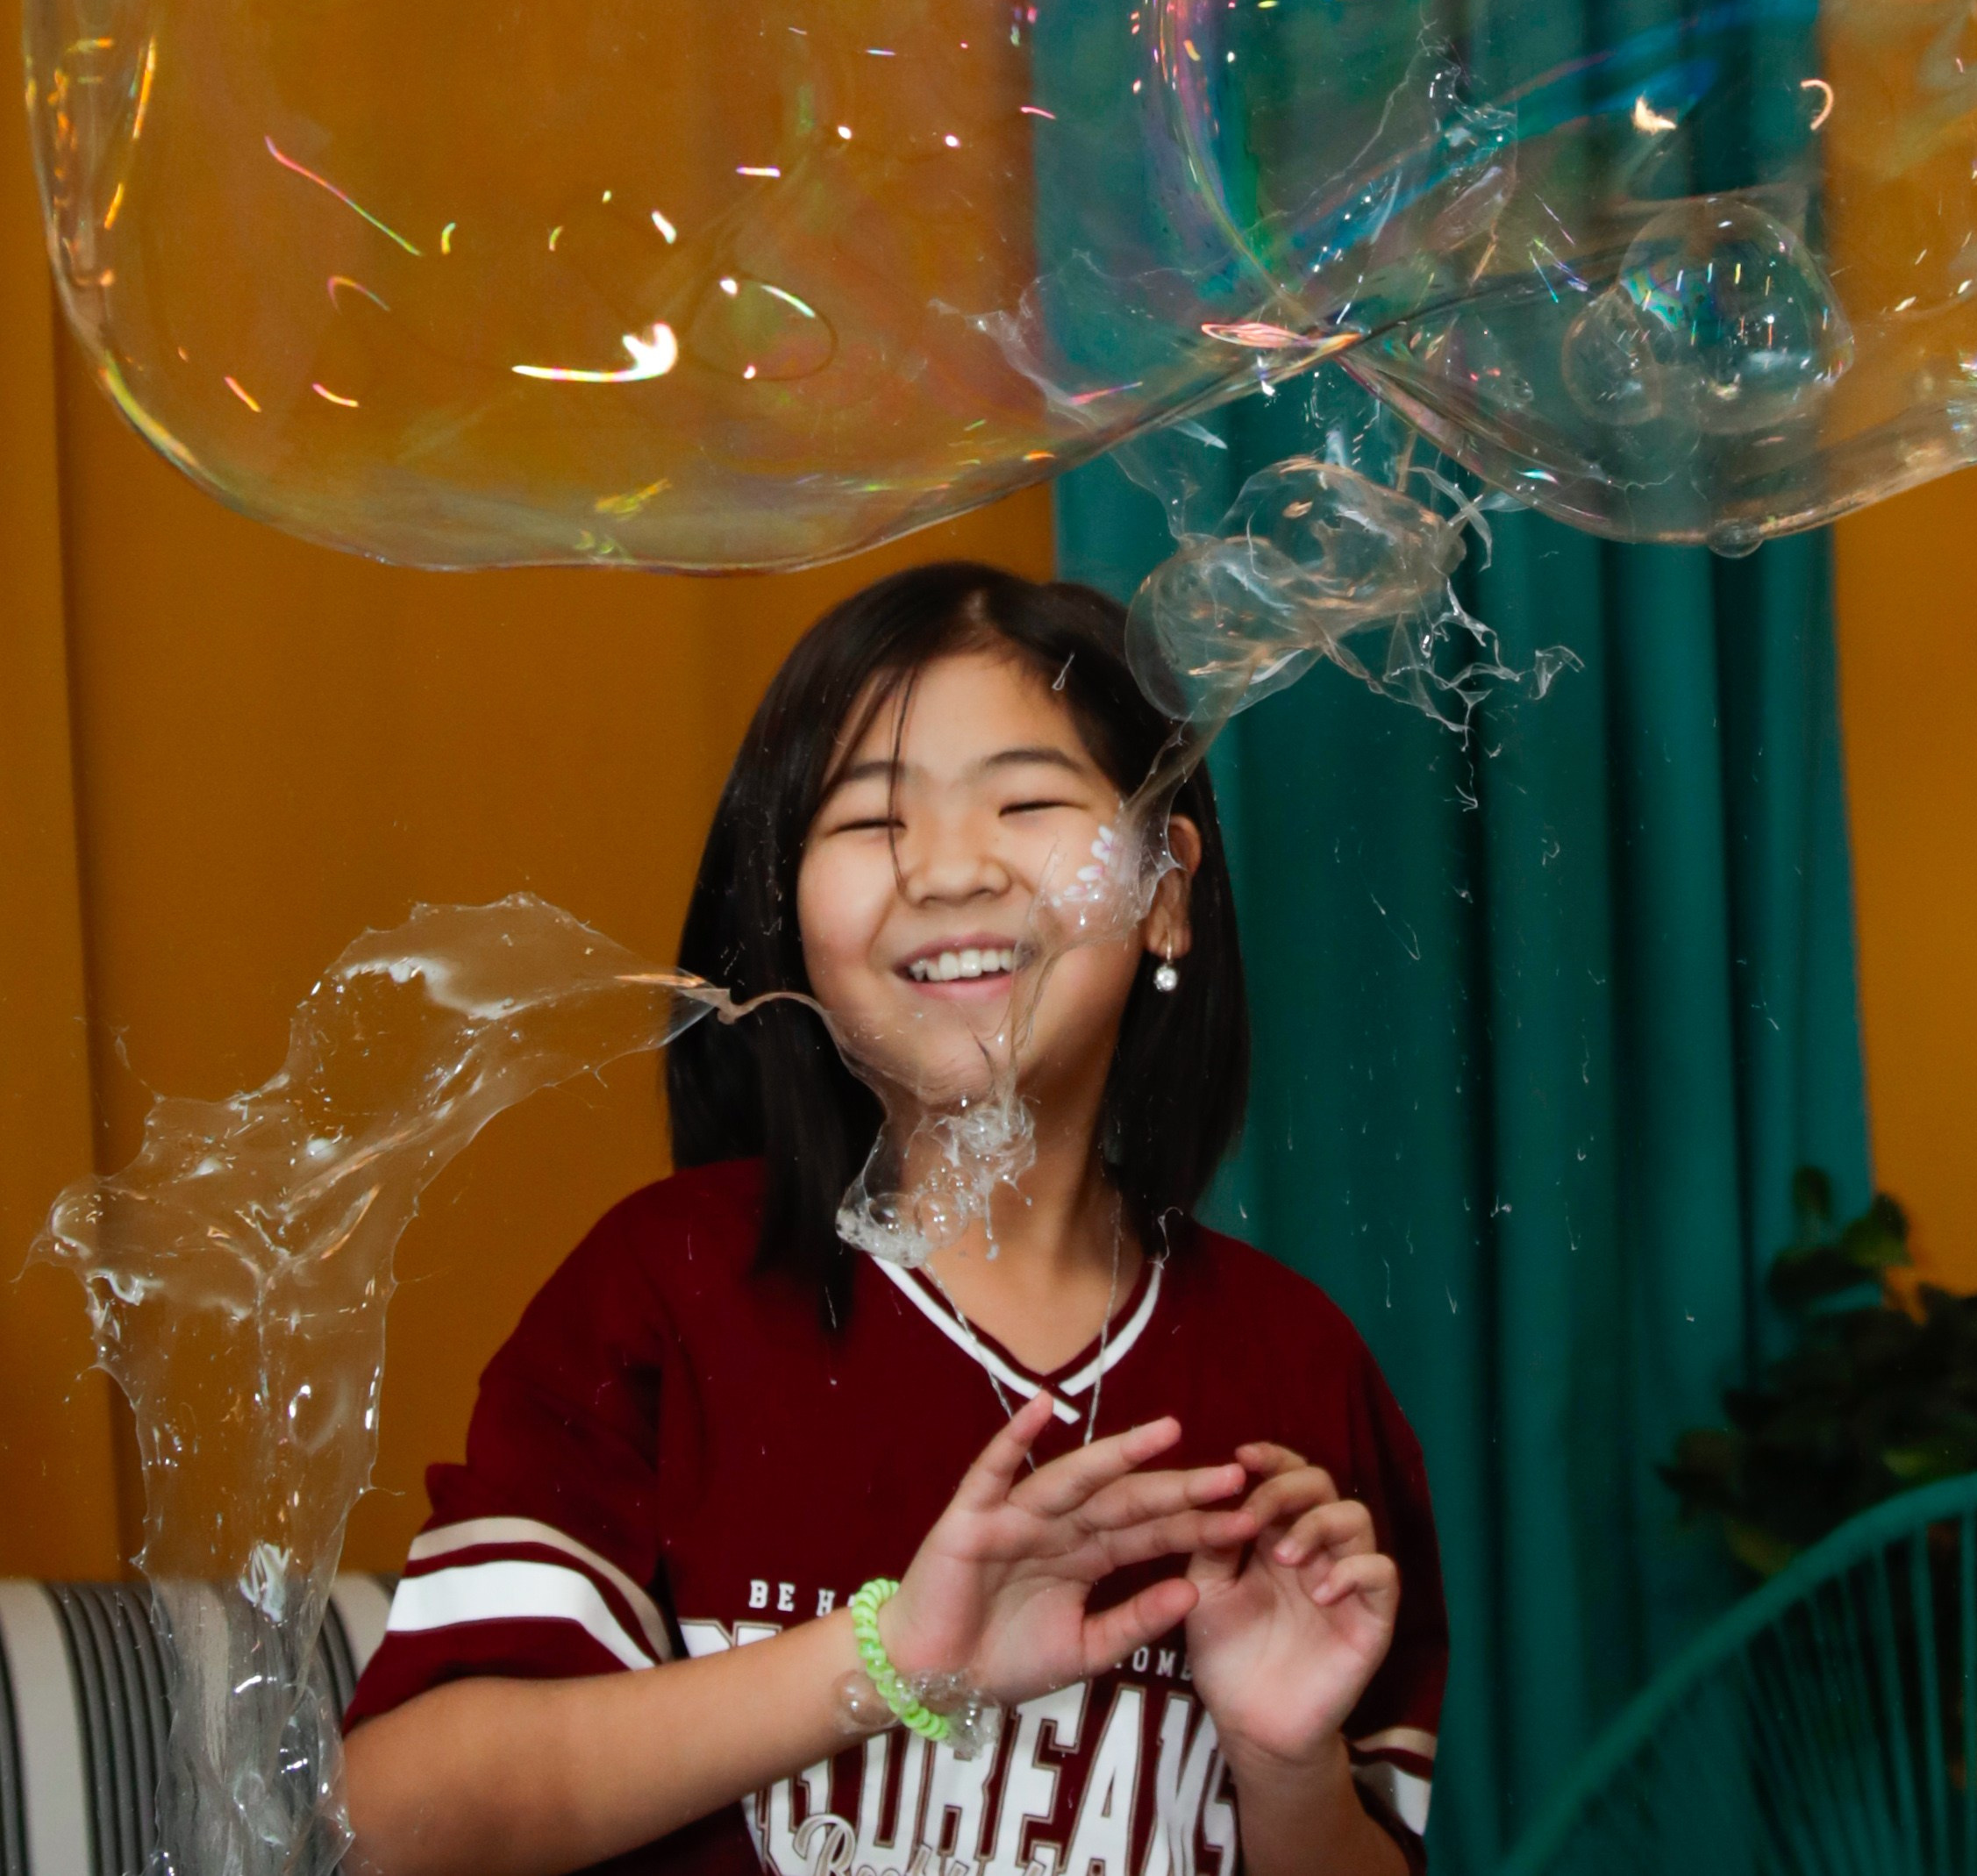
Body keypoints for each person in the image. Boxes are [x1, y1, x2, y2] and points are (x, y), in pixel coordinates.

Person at [343, 562, 1446, 1876]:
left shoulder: (1294, 1369)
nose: (947, 870)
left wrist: (1282, 1767)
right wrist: (889, 1657)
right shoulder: (670, 1288)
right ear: (787, 918)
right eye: (869, 824)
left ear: (1165, 884)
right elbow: (395, 1824)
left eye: (1028, 801)